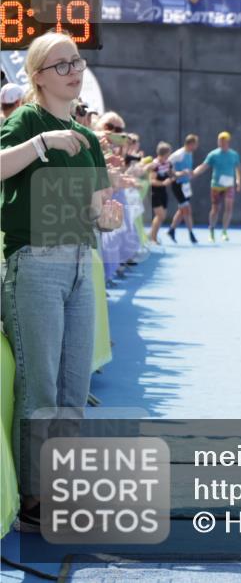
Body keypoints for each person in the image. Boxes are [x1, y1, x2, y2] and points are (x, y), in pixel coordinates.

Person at [0, 32, 124, 531]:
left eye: (76, 61)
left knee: (73, 388)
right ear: (37, 77)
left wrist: (108, 219)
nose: (74, 71)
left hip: (80, 265)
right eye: (61, 65)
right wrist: (41, 142)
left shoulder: (90, 139)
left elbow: (96, 212)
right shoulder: (27, 121)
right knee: (42, 386)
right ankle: (34, 498)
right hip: (34, 265)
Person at [192, 131, 241, 242]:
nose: (222, 142)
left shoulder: (234, 155)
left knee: (229, 208)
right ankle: (212, 231)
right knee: (215, 209)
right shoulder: (213, 154)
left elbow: (238, 168)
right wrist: (194, 173)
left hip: (229, 185)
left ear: (228, 142)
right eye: (220, 140)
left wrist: (238, 181)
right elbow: (204, 166)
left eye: (224, 140)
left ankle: (224, 231)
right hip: (216, 186)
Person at [167, 134, 200, 244]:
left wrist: (189, 174)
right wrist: (176, 174)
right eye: (195, 144)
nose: (196, 146)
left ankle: (172, 230)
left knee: (182, 211)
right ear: (190, 144)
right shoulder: (179, 154)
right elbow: (167, 164)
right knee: (187, 210)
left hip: (186, 185)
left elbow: (187, 167)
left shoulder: (189, 153)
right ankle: (191, 234)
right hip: (178, 185)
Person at [145, 142, 175, 245]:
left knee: (162, 216)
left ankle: (151, 235)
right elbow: (152, 181)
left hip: (163, 192)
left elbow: (172, 175)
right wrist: (163, 183)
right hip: (155, 192)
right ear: (164, 153)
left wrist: (173, 177)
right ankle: (153, 237)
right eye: (168, 154)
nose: (169, 156)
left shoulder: (168, 163)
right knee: (160, 215)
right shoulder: (155, 165)